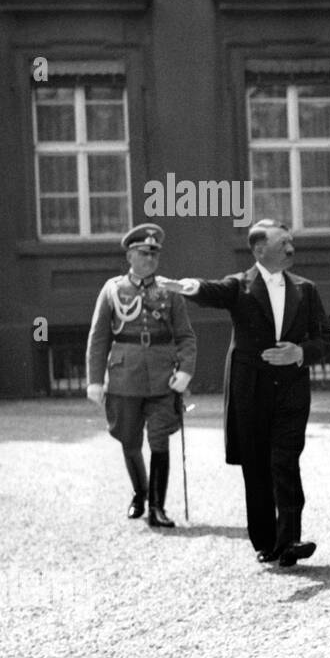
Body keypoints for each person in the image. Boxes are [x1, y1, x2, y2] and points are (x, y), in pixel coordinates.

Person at [164, 219, 330, 567]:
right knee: (257, 467)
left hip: (291, 392)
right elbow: (210, 290)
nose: (291, 248)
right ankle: (266, 541)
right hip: (251, 391)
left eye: (291, 241)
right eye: (282, 242)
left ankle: (290, 540)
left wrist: (300, 352)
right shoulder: (238, 287)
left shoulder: (307, 289)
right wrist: (184, 286)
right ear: (259, 249)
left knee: (285, 462)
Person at [85, 223, 196, 528]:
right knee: (129, 439)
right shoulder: (112, 289)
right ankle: (140, 493)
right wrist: (95, 380)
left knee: (160, 439)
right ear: (130, 255)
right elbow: (99, 338)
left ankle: (157, 508)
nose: (151, 259)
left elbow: (186, 336)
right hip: (124, 376)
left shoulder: (170, 292)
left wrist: (185, 370)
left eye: (155, 253)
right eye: (145, 253)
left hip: (162, 376)